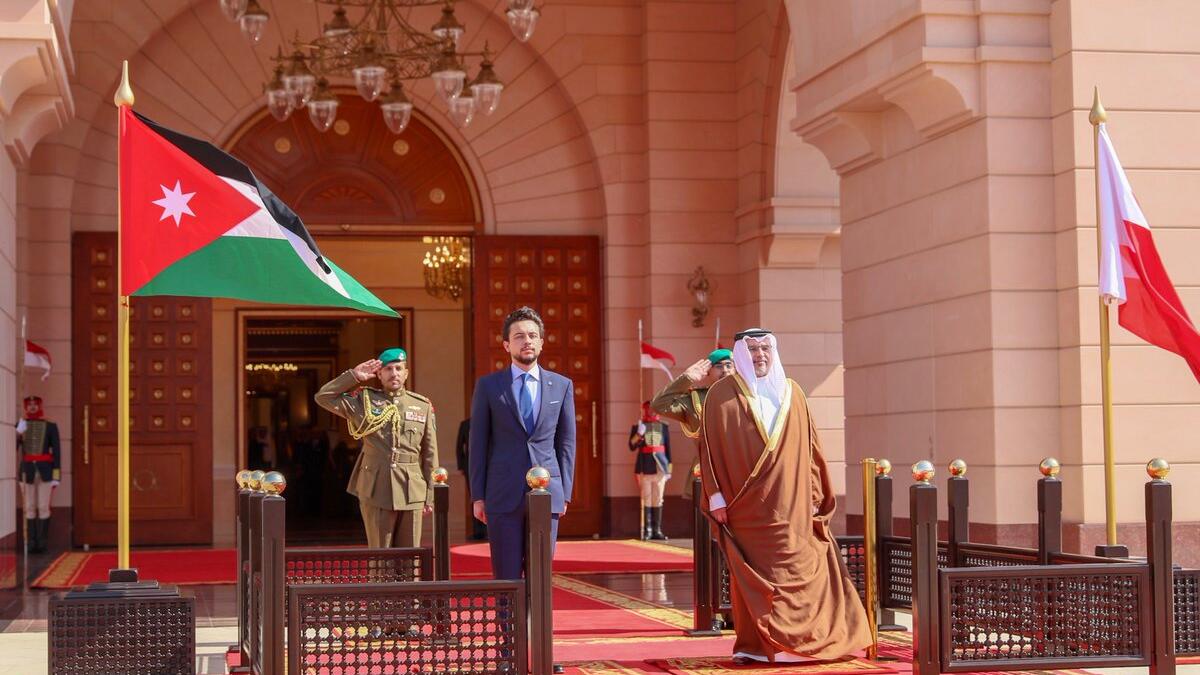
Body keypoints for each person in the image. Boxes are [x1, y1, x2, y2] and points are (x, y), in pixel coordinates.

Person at [699, 328, 869, 663]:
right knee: (754, 578)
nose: (760, 355)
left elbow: (811, 447)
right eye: (752, 350)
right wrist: (715, 496)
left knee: (800, 569)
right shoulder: (720, 395)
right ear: (741, 354)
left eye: (765, 348)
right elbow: (708, 450)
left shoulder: (794, 393)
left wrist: (817, 493)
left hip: (794, 505)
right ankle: (759, 647)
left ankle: (806, 643)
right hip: (745, 507)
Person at [469, 306, 576, 580]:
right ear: (506, 345)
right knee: (507, 575)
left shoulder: (561, 385)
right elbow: (478, 444)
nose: (526, 341)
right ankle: (509, 613)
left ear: (541, 342)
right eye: (518, 336)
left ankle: (537, 614)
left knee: (540, 574)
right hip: (502, 493)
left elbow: (566, 443)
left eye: (532, 335)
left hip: (547, 492)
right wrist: (478, 496)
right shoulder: (489, 386)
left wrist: (564, 492)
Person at [315, 348, 438, 548]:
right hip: (377, 488)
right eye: (388, 369)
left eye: (398, 368)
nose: (394, 373)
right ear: (379, 374)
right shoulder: (364, 401)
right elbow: (323, 397)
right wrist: (354, 376)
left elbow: (430, 454)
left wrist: (429, 496)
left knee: (411, 558)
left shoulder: (422, 406)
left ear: (406, 373)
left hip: (412, 490)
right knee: (381, 557)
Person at [650, 348, 735, 438]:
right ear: (708, 371)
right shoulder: (695, 401)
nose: (725, 370)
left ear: (735, 369)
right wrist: (686, 378)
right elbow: (658, 405)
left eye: (729, 365)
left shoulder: (744, 395)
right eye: (719, 366)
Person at [17, 396, 60, 554]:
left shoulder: (50, 426)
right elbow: (12, 448)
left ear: (40, 406)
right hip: (26, 471)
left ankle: (42, 542)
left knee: (43, 506)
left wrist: (56, 475)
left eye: (35, 404)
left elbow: (57, 451)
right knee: (29, 507)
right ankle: (30, 542)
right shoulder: (21, 425)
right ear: (26, 407)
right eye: (29, 405)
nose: (33, 407)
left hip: (45, 471)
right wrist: (18, 434)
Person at [628, 402, 671, 540]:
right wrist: (639, 434)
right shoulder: (638, 427)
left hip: (660, 467)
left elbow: (668, 449)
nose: (651, 412)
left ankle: (657, 530)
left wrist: (669, 469)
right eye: (649, 410)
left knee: (658, 499)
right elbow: (632, 446)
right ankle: (648, 530)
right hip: (645, 467)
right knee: (647, 498)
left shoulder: (664, 426)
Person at [455, 418, 487, 540]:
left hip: (489, 466)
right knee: (475, 497)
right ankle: (477, 531)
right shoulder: (465, 424)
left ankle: (489, 531)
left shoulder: (489, 421)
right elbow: (459, 446)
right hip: (470, 467)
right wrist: (461, 466)